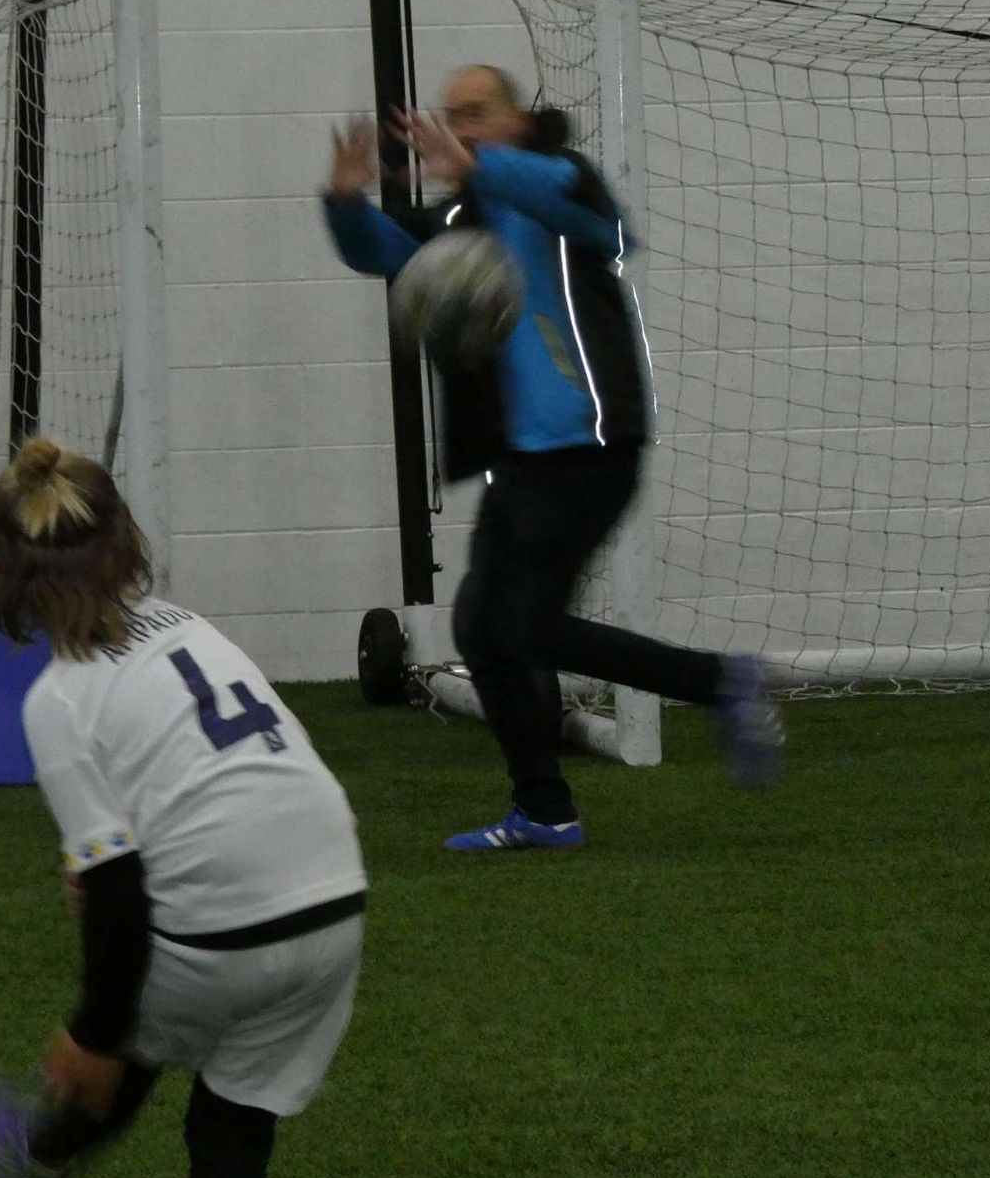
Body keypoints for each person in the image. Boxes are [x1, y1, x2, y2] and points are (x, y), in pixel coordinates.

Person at [0, 436, 367, 1178]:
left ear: (1, 567)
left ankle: (37, 1153)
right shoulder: (191, 626)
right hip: (337, 904)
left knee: (128, 1029)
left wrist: (90, 1032)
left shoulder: (59, 701)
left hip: (220, 933)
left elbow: (118, 900)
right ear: (129, 539)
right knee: (233, 1128)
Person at [323, 64, 783, 852]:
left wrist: (485, 168)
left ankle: (721, 683)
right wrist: (343, 203)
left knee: (520, 625)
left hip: (591, 448)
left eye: (477, 113)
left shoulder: (564, 181)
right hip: (521, 465)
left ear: (519, 120)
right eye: (451, 117)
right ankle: (543, 810)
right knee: (483, 627)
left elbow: (609, 233)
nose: (461, 129)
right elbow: (389, 254)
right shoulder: (463, 215)